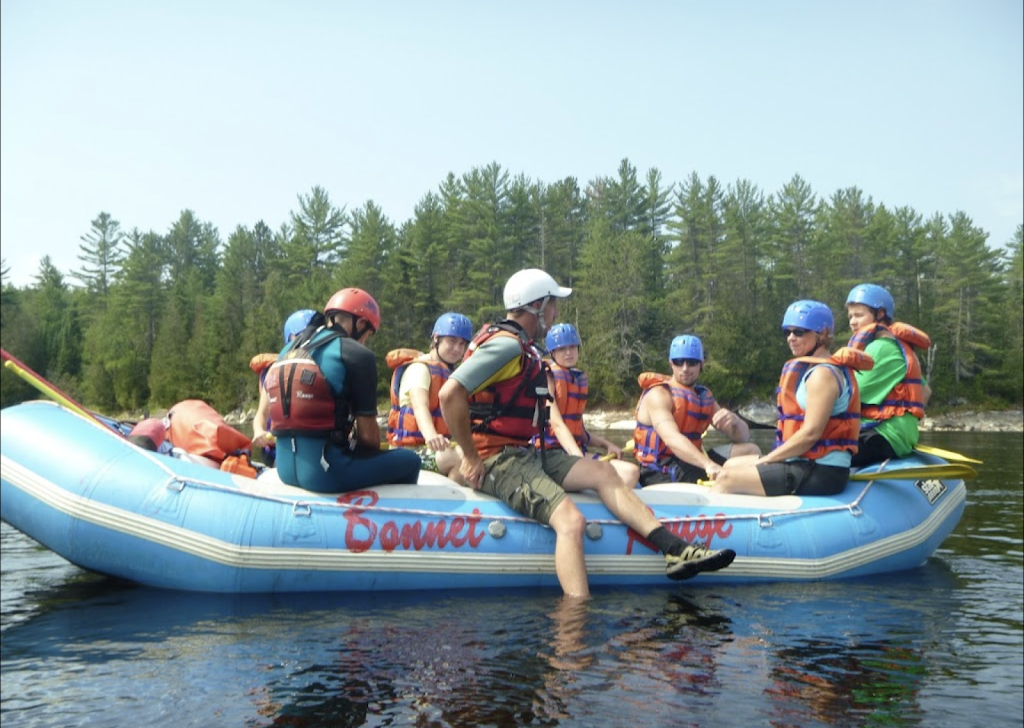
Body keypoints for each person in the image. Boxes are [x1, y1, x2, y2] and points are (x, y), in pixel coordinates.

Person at [438, 268, 735, 598]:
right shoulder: (507, 346)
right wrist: (470, 456)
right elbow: (449, 395)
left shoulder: (521, 347)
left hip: (522, 452)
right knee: (571, 522)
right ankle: (574, 626)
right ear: (536, 306)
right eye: (552, 304)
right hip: (497, 458)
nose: (555, 312)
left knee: (603, 471)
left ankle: (675, 550)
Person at [265, 288, 422, 493]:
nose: (365, 341)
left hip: (284, 470)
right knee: (410, 461)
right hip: (325, 473)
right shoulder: (357, 354)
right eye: (368, 334)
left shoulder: (288, 350)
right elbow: (369, 438)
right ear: (361, 323)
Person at [712, 300, 874, 497]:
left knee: (726, 479)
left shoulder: (823, 375)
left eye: (799, 332)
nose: (791, 338)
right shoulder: (810, 370)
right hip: (803, 462)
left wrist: (766, 460)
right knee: (730, 464)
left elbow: (810, 435)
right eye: (787, 332)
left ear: (822, 334)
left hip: (823, 471)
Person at [633, 334, 761, 486]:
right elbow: (671, 438)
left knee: (751, 451)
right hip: (661, 469)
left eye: (692, 362)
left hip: (693, 462)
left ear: (701, 364)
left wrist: (735, 421)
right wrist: (708, 464)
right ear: (671, 364)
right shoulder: (659, 394)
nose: (685, 368)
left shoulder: (703, 396)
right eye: (679, 362)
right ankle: (734, 484)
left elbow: (743, 438)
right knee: (736, 469)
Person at [536, 323, 641, 488]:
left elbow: (581, 434)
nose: (569, 352)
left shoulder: (576, 379)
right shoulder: (547, 377)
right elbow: (555, 423)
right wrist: (577, 456)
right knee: (629, 472)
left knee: (632, 472)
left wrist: (607, 444)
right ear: (552, 352)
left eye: (572, 347)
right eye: (562, 348)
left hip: (572, 452)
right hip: (550, 454)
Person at [845, 284, 932, 466]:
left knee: (819, 451)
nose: (853, 321)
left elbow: (847, 397)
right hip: (898, 436)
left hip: (882, 435)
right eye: (851, 316)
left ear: (880, 314)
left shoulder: (880, 348)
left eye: (859, 315)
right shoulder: (898, 345)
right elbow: (925, 392)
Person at [386, 312, 473, 476]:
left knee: (471, 454)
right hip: (407, 452)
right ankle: (447, 499)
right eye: (452, 341)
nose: (457, 349)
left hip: (432, 448)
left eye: (462, 344)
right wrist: (431, 436)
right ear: (436, 339)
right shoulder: (419, 369)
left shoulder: (450, 375)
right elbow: (420, 407)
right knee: (459, 461)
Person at [251, 309, 316, 465]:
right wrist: (259, 431)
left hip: (309, 450)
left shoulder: (319, 367)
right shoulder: (275, 371)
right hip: (278, 452)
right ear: (292, 338)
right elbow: (262, 413)